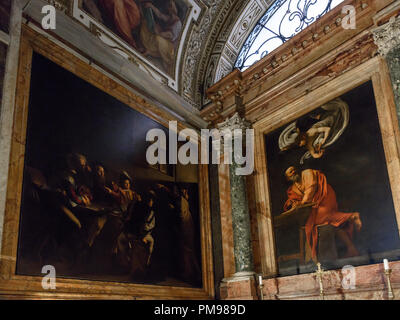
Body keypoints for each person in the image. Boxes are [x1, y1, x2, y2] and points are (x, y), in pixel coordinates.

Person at [284, 166, 362, 260]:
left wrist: (302, 203)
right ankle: (352, 248)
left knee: (321, 217)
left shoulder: (307, 173)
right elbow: (294, 199)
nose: (293, 172)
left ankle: (352, 216)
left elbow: (311, 190)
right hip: (315, 204)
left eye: (293, 170)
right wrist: (293, 204)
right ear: (288, 178)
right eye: (290, 172)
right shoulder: (293, 188)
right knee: (332, 223)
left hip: (325, 196)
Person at [279, 98, 350, 164]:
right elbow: (314, 155)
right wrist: (319, 153)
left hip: (325, 121)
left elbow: (327, 129)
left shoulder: (311, 131)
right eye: (300, 144)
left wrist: (323, 140)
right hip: (325, 121)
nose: (302, 144)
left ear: (301, 136)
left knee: (337, 111)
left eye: (300, 142)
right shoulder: (308, 145)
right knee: (336, 113)